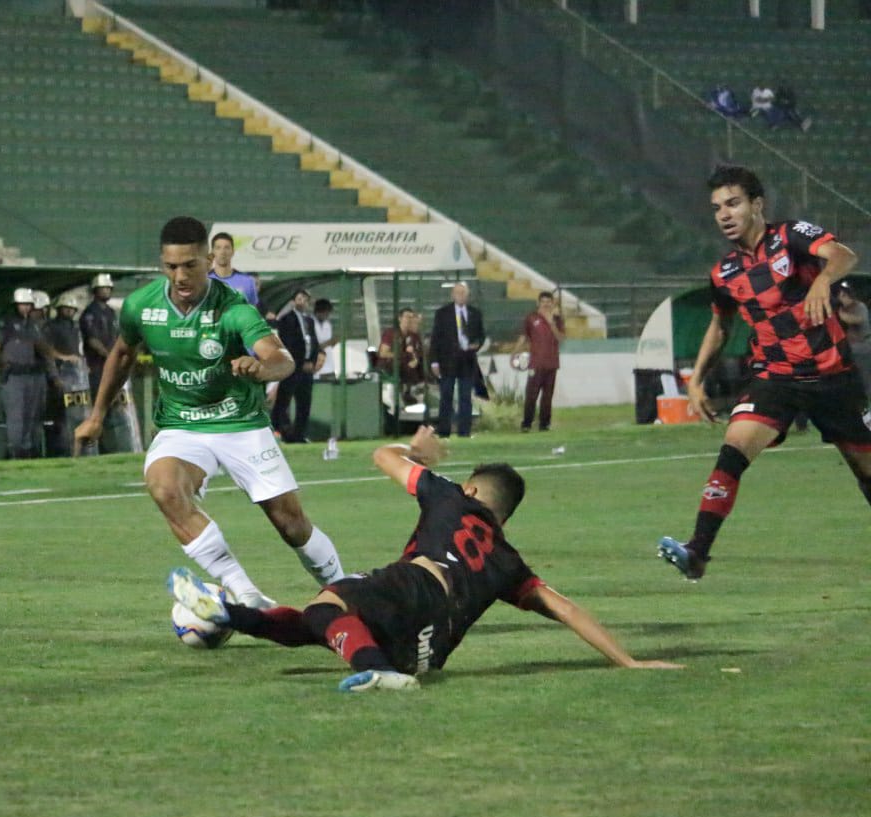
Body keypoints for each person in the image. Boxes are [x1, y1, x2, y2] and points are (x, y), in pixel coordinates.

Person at [169, 425, 682, 692]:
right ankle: (227, 613)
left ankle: (373, 671)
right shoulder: (508, 563)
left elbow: (383, 458)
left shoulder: (449, 496)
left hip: (416, 588)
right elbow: (566, 609)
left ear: (474, 488)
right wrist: (629, 661)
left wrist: (421, 454)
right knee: (312, 624)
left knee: (326, 611)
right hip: (428, 652)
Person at [74, 216, 345, 607]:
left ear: (207, 260)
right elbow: (122, 353)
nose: (180, 276)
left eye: (190, 265)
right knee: (165, 488)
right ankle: (247, 596)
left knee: (290, 524)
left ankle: (346, 587)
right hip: (182, 425)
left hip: (240, 423)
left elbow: (280, 358)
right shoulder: (140, 306)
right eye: (171, 267)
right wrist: (97, 414)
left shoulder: (234, 308)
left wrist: (262, 368)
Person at [658, 165, 869, 581]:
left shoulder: (791, 237)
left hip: (833, 378)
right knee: (733, 449)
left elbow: (845, 255)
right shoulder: (724, 274)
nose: (724, 214)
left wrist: (823, 280)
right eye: (717, 207)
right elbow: (719, 327)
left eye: (733, 203)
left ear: (757, 205)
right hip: (775, 379)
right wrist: (696, 380)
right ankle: (697, 551)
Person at [0, 287, 55, 459]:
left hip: (31, 374)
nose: (26, 308)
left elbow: (42, 347)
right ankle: (16, 452)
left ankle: (29, 452)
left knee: (32, 415)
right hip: (14, 375)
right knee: (17, 417)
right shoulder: (8, 323)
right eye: (22, 304)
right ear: (16, 305)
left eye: (28, 304)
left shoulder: (32, 325)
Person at [429, 282, 485, 437]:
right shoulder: (442, 313)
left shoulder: (475, 313)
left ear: (468, 295)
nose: (461, 296)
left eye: (464, 293)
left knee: (465, 397)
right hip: (447, 360)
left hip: (467, 360)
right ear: (453, 295)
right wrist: (434, 361)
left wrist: (477, 345)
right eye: (458, 293)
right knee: (446, 395)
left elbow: (481, 335)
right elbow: (436, 338)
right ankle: (444, 430)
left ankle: (464, 431)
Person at [272, 289, 325, 443]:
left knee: (304, 403)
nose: (302, 301)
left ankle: (299, 434)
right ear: (294, 301)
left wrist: (313, 361)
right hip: (293, 367)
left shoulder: (310, 320)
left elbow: (313, 342)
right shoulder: (287, 319)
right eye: (299, 298)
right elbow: (289, 343)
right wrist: (300, 362)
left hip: (307, 369)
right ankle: (280, 431)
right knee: (284, 400)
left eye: (305, 299)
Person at [512, 291, 566, 432]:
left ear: (552, 303)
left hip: (552, 363)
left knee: (547, 396)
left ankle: (545, 424)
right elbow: (524, 337)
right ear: (538, 303)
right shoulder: (531, 318)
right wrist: (514, 353)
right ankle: (527, 424)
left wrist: (551, 323)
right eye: (543, 301)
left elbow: (561, 339)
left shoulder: (557, 319)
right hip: (536, 363)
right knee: (531, 394)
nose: (546, 304)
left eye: (549, 302)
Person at [42, 293, 86, 458]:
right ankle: (63, 451)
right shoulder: (51, 327)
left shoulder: (75, 327)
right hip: (60, 376)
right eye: (65, 308)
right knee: (61, 418)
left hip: (77, 378)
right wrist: (63, 360)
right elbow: (47, 350)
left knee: (78, 415)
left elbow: (79, 350)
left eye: (71, 309)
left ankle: (77, 450)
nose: (68, 311)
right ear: (59, 309)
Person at [79, 273, 118, 403]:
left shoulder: (111, 312)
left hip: (111, 364)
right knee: (98, 399)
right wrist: (109, 355)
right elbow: (92, 340)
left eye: (109, 288)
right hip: (96, 365)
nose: (107, 291)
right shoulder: (90, 312)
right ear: (95, 290)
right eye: (103, 288)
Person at [379, 308, 425, 406]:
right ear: (400, 318)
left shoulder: (412, 335)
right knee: (404, 366)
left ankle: (415, 391)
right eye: (407, 317)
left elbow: (415, 352)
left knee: (420, 364)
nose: (409, 319)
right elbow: (383, 353)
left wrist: (415, 360)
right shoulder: (390, 333)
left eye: (411, 317)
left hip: (406, 363)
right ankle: (407, 392)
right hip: (391, 363)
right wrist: (401, 355)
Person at [208, 232, 261, 311]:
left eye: (227, 248)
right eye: (218, 248)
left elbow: (253, 312)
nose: (223, 252)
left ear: (233, 251)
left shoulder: (247, 281)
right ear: (212, 252)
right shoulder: (203, 281)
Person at [836, 282, 871, 394]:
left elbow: (856, 320)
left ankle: (867, 398)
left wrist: (839, 313)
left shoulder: (859, 306)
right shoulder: (842, 308)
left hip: (861, 346)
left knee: (864, 374)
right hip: (848, 347)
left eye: (840, 295)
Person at [312, 298, 339, 380]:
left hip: (329, 366)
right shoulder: (310, 323)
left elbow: (328, 346)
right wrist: (329, 343)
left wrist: (333, 343)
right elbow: (313, 347)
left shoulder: (328, 325)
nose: (327, 315)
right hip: (317, 368)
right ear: (318, 311)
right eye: (325, 313)